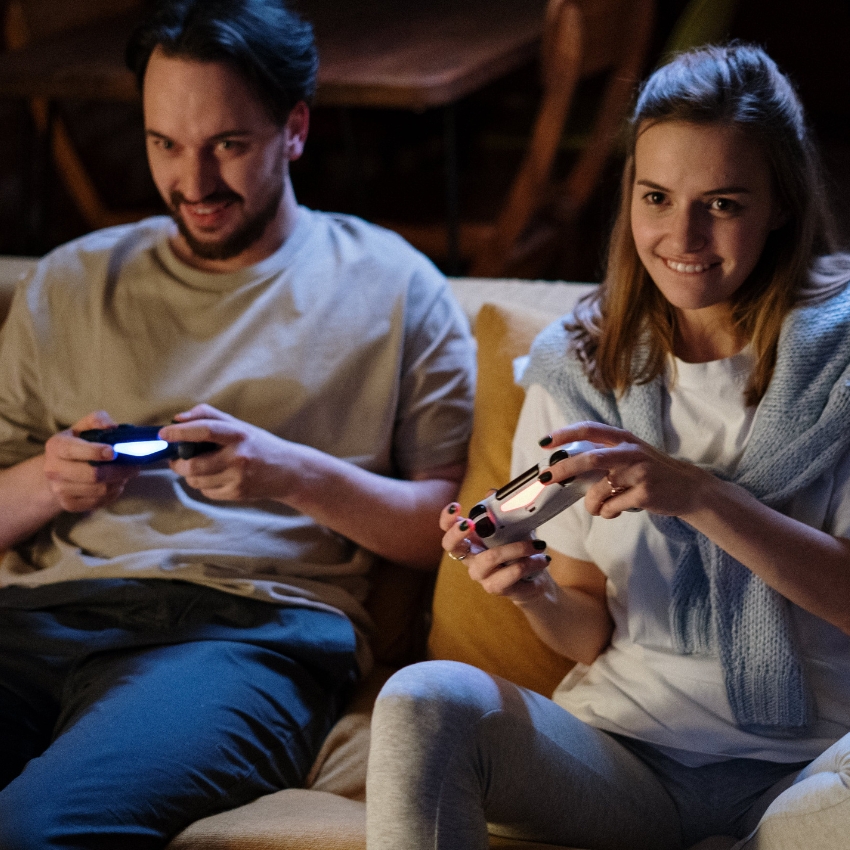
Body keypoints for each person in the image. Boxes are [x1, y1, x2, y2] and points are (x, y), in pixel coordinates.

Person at [0, 0, 475, 847]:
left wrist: (288, 473)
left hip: (249, 635)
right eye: (164, 144)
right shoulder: (67, 283)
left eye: (227, 145)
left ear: (295, 129)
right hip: (39, 620)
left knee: (37, 828)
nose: (193, 183)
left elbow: (443, 527)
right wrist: (50, 480)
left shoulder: (395, 285)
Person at [366, 43, 850, 850]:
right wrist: (532, 591)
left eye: (722, 203)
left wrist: (700, 495)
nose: (683, 234)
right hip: (627, 760)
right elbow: (588, 627)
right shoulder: (580, 368)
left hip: (815, 775)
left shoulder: (840, 367)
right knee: (423, 699)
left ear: (781, 205)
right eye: (657, 197)